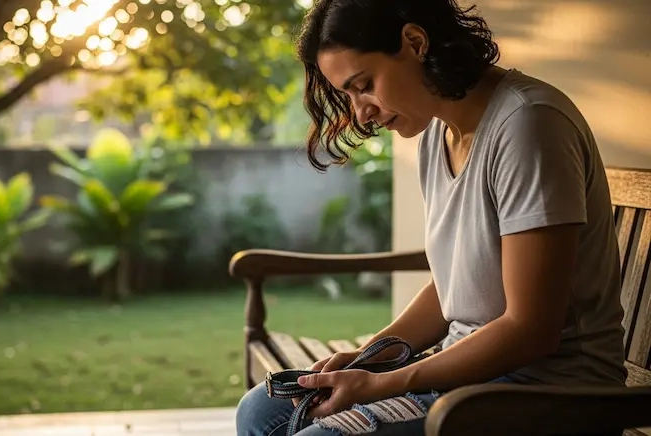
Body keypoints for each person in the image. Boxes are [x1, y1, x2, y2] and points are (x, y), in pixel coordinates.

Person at [235, 0, 628, 435]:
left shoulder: (528, 124)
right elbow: (452, 288)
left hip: (550, 394)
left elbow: (531, 328)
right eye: (348, 94)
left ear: (414, 42)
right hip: (472, 379)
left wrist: (384, 383)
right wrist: (368, 359)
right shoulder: (437, 133)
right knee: (260, 411)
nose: (361, 112)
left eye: (364, 85)